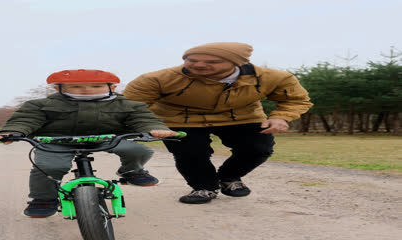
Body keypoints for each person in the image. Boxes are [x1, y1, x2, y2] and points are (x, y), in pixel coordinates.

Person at [123, 42, 313, 204]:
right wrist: (147, 125)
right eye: (191, 60)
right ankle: (204, 187)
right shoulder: (157, 79)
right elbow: (130, 105)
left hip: (242, 116)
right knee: (190, 152)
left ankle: (229, 178)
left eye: (212, 62)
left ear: (238, 62)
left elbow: (296, 99)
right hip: (180, 118)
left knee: (257, 148)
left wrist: (281, 116)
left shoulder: (272, 78)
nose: (199, 65)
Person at [0, 69, 177, 217]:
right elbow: (25, 119)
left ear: (112, 87)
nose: (86, 90)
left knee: (138, 150)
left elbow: (143, 119)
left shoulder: (129, 104)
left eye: (96, 86)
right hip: (56, 141)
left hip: (106, 139)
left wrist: (154, 129)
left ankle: (131, 171)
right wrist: (10, 133)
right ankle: (43, 199)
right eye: (75, 86)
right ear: (58, 88)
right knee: (48, 166)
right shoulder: (40, 104)